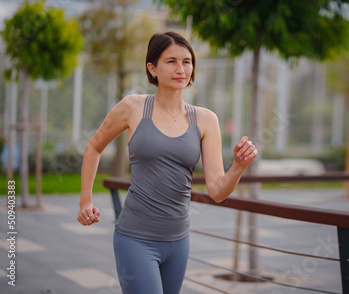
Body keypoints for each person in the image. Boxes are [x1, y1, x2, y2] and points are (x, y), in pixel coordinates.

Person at [77, 31, 258, 294]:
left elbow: (217, 191)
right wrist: (85, 200)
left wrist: (238, 167)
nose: (181, 69)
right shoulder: (133, 107)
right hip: (135, 239)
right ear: (152, 68)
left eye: (187, 61)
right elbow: (94, 146)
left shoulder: (206, 120)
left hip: (178, 242)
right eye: (171, 61)